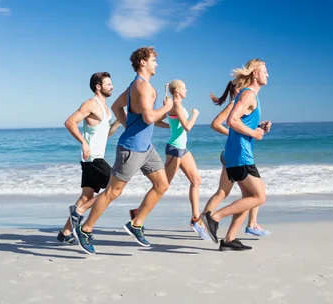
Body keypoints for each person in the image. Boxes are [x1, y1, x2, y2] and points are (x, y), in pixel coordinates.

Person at [72, 47, 173, 254]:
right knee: (113, 192)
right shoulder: (140, 86)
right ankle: (85, 229)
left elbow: (118, 108)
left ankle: (136, 224)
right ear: (143, 62)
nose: (157, 64)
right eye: (154, 60)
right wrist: (168, 107)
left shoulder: (142, 87)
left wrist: (130, 125)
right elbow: (149, 118)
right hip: (131, 149)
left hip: (146, 148)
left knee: (162, 185)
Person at [201, 59, 271, 251]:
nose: (268, 74)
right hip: (240, 155)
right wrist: (254, 133)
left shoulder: (252, 96)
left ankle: (230, 239)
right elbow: (231, 120)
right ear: (255, 74)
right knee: (259, 197)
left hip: (238, 153)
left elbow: (241, 122)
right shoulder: (248, 94)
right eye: (265, 71)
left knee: (248, 196)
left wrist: (258, 127)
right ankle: (213, 217)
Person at [130, 80, 209, 239]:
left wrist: (172, 126)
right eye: (185, 87)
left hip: (182, 149)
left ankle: (195, 219)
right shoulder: (176, 105)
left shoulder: (175, 104)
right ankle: (137, 213)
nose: (187, 90)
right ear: (178, 90)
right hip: (174, 150)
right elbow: (187, 127)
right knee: (162, 186)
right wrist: (195, 115)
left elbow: (161, 122)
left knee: (196, 180)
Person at [57, 72, 120, 244]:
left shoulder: (105, 109)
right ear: (98, 86)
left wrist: (118, 122)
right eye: (108, 84)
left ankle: (65, 233)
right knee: (114, 188)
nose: (112, 86)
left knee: (86, 195)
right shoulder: (91, 104)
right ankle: (81, 215)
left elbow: (104, 135)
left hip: (93, 158)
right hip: (93, 158)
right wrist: (84, 142)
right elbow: (70, 122)